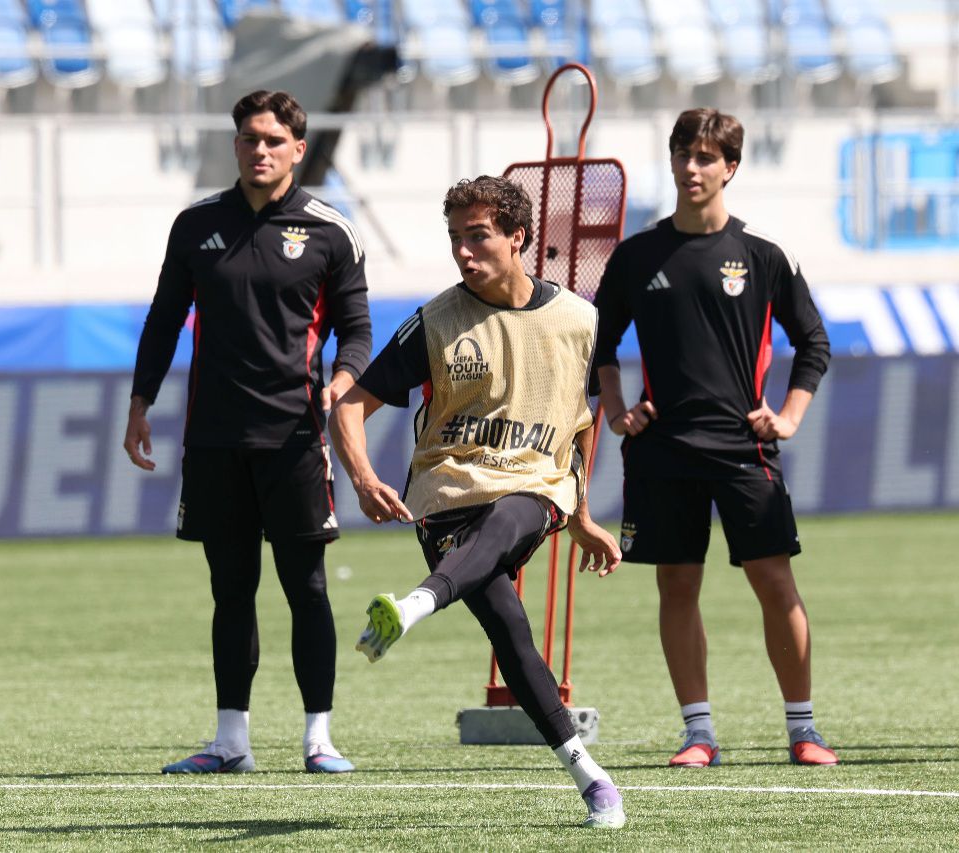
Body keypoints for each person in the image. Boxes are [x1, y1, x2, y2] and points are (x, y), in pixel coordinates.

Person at [330, 176, 627, 829]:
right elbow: (349, 404)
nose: (464, 251)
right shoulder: (437, 321)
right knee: (511, 635)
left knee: (512, 510)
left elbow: (584, 422)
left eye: (479, 236)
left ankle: (412, 605)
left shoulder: (580, 321)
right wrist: (360, 476)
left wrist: (579, 515)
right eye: (456, 238)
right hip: (446, 494)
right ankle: (591, 775)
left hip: (536, 485)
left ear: (518, 236)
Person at [125, 90, 372, 775]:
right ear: (236, 146)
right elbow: (163, 319)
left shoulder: (330, 231)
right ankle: (230, 740)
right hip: (214, 438)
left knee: (307, 587)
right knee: (230, 587)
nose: (258, 150)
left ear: (298, 148)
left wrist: (344, 380)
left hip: (294, 437)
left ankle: (318, 737)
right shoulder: (196, 224)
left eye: (271, 140)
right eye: (247, 139)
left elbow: (356, 330)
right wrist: (140, 401)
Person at [592, 108, 836, 768]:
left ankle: (803, 730)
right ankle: (698, 733)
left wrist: (787, 416)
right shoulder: (637, 255)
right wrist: (617, 410)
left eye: (706, 158)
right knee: (677, 585)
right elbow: (596, 343)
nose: (692, 168)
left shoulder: (761, 256)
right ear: (671, 161)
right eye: (683, 155)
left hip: (742, 446)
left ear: (731, 167)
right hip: (662, 450)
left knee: (774, 581)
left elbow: (813, 341)